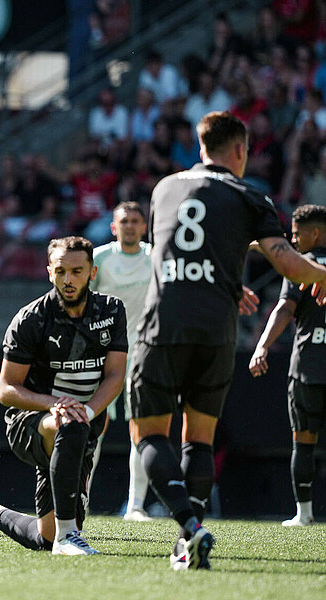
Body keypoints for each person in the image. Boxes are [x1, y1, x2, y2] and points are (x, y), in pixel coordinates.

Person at [129, 112, 326, 570]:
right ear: (239, 150)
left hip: (164, 326)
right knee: (199, 437)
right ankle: (190, 545)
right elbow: (290, 265)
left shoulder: (164, 189)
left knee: (149, 434)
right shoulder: (251, 196)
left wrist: (228, 284)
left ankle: (189, 528)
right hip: (216, 332)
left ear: (201, 145)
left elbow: (174, 250)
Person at [0, 236, 127, 555]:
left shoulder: (112, 311)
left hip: (83, 422)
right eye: (61, 271)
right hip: (30, 422)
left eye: (77, 271)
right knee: (69, 427)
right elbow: (6, 389)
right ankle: (68, 537)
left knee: (44, 538)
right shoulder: (31, 319)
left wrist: (88, 411)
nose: (68, 279)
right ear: (49, 272)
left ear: (92, 272)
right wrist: (54, 405)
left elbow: (116, 375)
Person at [248, 204, 326, 527]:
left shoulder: (301, 266)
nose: (293, 240)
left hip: (309, 366)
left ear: (315, 233)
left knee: (303, 440)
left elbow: (284, 308)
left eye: (297, 234)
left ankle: (304, 514)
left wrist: (263, 345)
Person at [88, 202, 153, 521]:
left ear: (144, 226)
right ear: (113, 227)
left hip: (144, 355)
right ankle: (79, 502)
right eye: (124, 221)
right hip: (102, 357)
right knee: (91, 429)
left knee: (140, 430)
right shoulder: (99, 258)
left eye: (135, 221)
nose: (129, 225)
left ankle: (136, 506)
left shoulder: (156, 257)